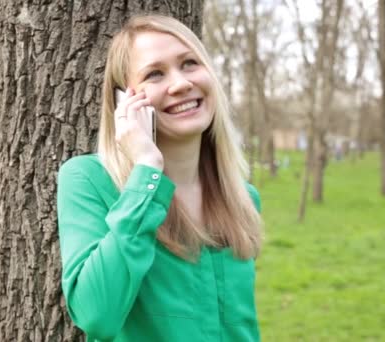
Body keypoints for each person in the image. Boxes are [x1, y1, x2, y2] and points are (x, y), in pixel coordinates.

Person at [57, 15, 263, 341]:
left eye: (190, 63)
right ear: (124, 100)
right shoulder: (88, 180)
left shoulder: (241, 196)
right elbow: (96, 316)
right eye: (155, 73)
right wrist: (146, 173)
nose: (180, 83)